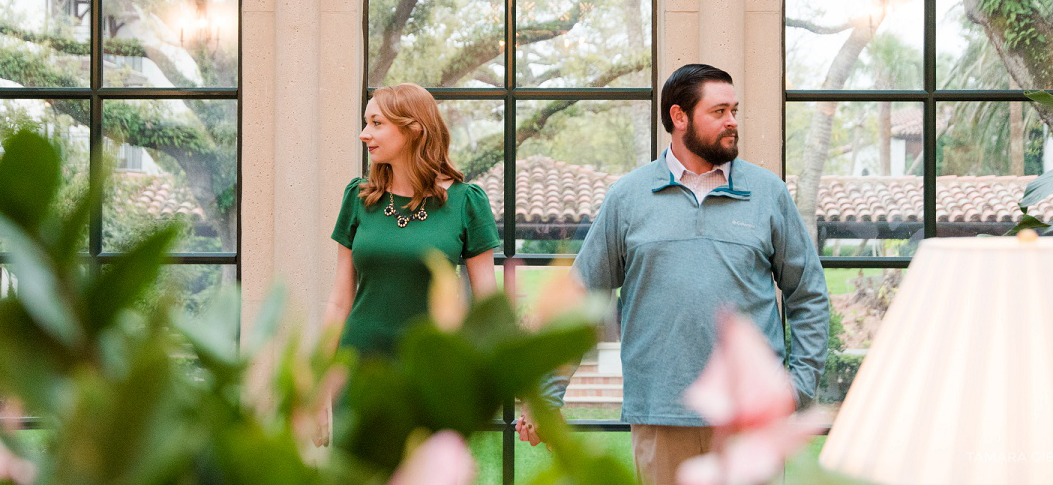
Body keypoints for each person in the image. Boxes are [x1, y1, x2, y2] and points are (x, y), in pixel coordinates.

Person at [517, 64, 829, 485]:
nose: (732, 121)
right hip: (660, 414)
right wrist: (547, 396)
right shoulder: (628, 197)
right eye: (719, 111)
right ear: (679, 117)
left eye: (734, 110)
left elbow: (808, 295)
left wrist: (800, 386)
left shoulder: (768, 193)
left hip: (749, 419)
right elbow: (580, 297)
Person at [318, 83, 500, 438]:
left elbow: (487, 307)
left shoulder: (467, 202)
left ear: (413, 128)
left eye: (376, 123)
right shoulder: (358, 198)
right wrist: (320, 384)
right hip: (360, 370)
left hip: (431, 374)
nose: (363, 134)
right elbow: (339, 301)